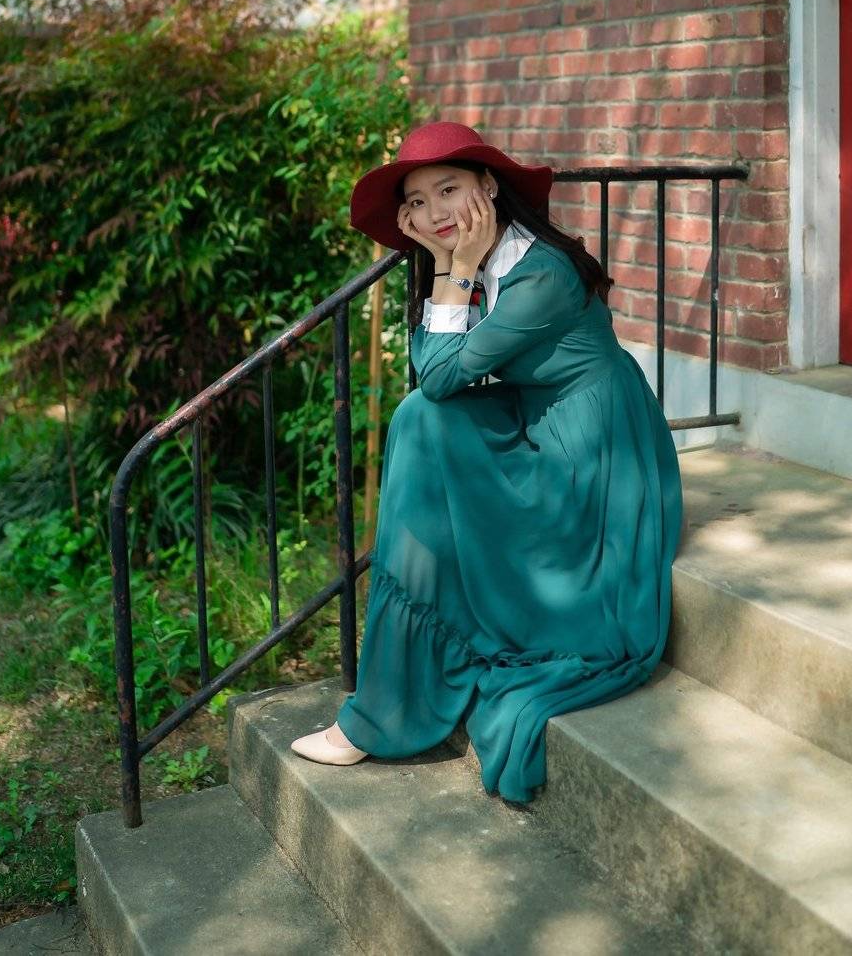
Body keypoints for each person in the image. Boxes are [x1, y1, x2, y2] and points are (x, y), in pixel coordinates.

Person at [289, 121, 684, 804]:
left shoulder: (542, 276)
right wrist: (455, 268)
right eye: (417, 202)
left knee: (422, 416)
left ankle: (384, 704)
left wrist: (454, 268)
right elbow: (435, 377)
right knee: (419, 423)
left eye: (449, 189)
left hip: (593, 458)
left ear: (489, 187)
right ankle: (391, 689)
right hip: (539, 421)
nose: (435, 213)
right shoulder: (487, 258)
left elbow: (439, 377)